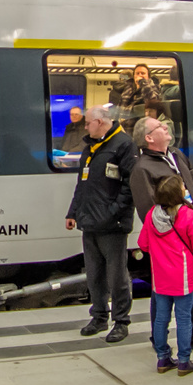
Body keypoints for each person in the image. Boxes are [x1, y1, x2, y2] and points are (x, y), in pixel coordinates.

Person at [130, 117, 193, 355]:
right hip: (171, 243)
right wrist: (174, 233)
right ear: (148, 138)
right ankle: (160, 339)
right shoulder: (142, 168)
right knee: (163, 293)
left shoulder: (177, 155)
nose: (166, 128)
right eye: (160, 127)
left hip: (191, 234)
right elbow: (149, 212)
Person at [66, 105, 139, 342]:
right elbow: (82, 185)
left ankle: (121, 321)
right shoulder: (90, 148)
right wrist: (73, 212)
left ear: (101, 122)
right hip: (90, 222)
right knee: (94, 274)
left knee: (117, 275)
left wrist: (113, 212)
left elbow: (130, 185)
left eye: (88, 123)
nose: (85, 127)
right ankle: (98, 316)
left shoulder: (124, 145)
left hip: (112, 224)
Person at [138, 175, 193, 376]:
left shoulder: (152, 215)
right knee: (184, 318)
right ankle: (184, 361)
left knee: (161, 319)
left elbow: (143, 244)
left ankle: (162, 358)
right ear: (178, 193)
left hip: (160, 277)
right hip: (183, 277)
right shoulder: (189, 216)